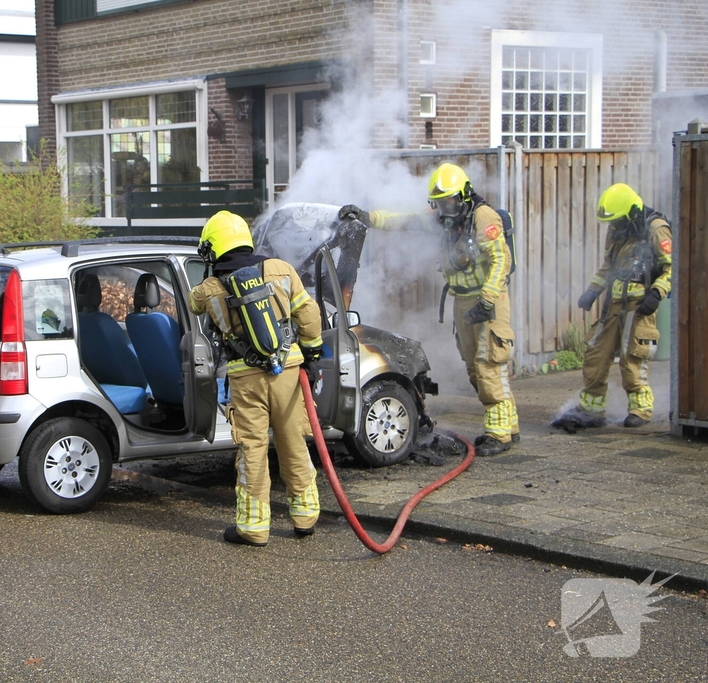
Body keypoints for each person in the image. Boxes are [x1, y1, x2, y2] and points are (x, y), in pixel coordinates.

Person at [339, 162, 519, 456]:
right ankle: (508, 423)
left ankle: (499, 434)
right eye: (438, 204)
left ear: (463, 196)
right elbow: (405, 221)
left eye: (448, 202)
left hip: (489, 300)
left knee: (489, 364)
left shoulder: (483, 217)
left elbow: (501, 260)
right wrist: (367, 218)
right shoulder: (444, 219)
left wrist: (487, 300)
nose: (443, 210)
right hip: (463, 300)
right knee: (475, 367)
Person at [188, 210, 324, 546]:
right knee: (293, 442)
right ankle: (305, 517)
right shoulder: (281, 270)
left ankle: (253, 527)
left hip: (245, 378)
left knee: (253, 449)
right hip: (288, 373)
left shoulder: (209, 289)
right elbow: (309, 313)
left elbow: (193, 305)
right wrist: (313, 354)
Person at [553, 183, 672, 432]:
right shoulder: (617, 229)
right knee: (596, 354)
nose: (613, 227)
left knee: (632, 358)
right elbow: (609, 265)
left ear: (630, 214)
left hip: (640, 306)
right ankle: (591, 409)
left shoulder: (656, 229)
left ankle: (640, 409)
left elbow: (672, 267)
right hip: (614, 305)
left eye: (617, 221)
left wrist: (657, 293)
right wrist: (593, 290)